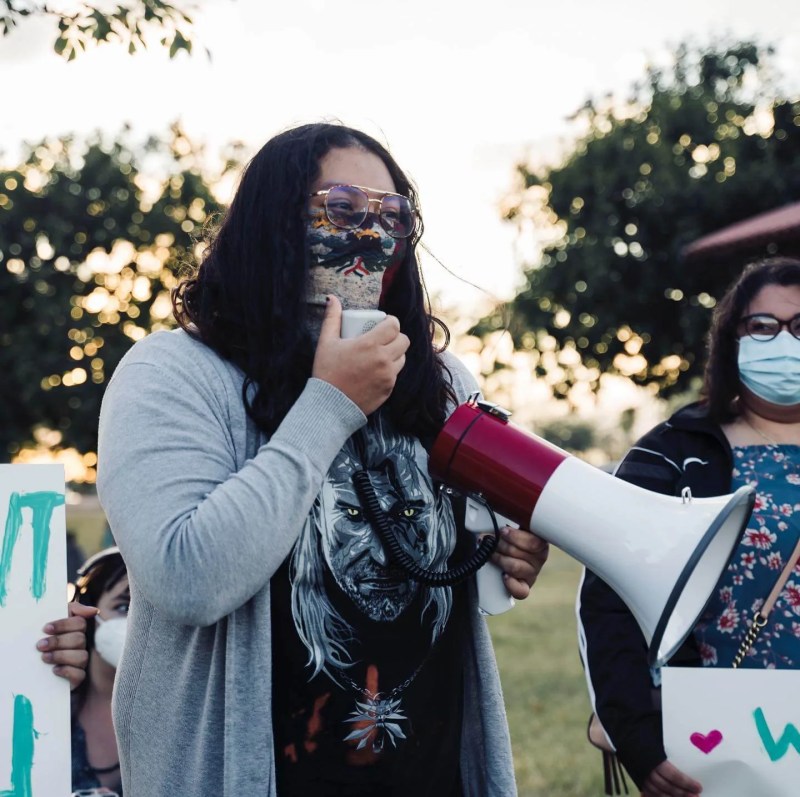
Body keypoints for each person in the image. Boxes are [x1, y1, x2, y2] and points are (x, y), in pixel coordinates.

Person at [96, 122, 549, 796]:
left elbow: (455, 561)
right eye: (341, 208)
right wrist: (331, 404)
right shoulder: (173, 373)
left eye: (392, 215)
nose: (371, 233)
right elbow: (187, 578)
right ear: (271, 222)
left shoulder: (441, 380)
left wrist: (502, 551)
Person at [577, 255, 800, 797]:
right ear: (731, 338)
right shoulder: (673, 452)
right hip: (719, 737)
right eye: (763, 326)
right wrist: (636, 736)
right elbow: (608, 598)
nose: (785, 342)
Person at [69, 547, 127, 796]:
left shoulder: (184, 719)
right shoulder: (47, 705)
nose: (140, 623)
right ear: (88, 614)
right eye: (125, 607)